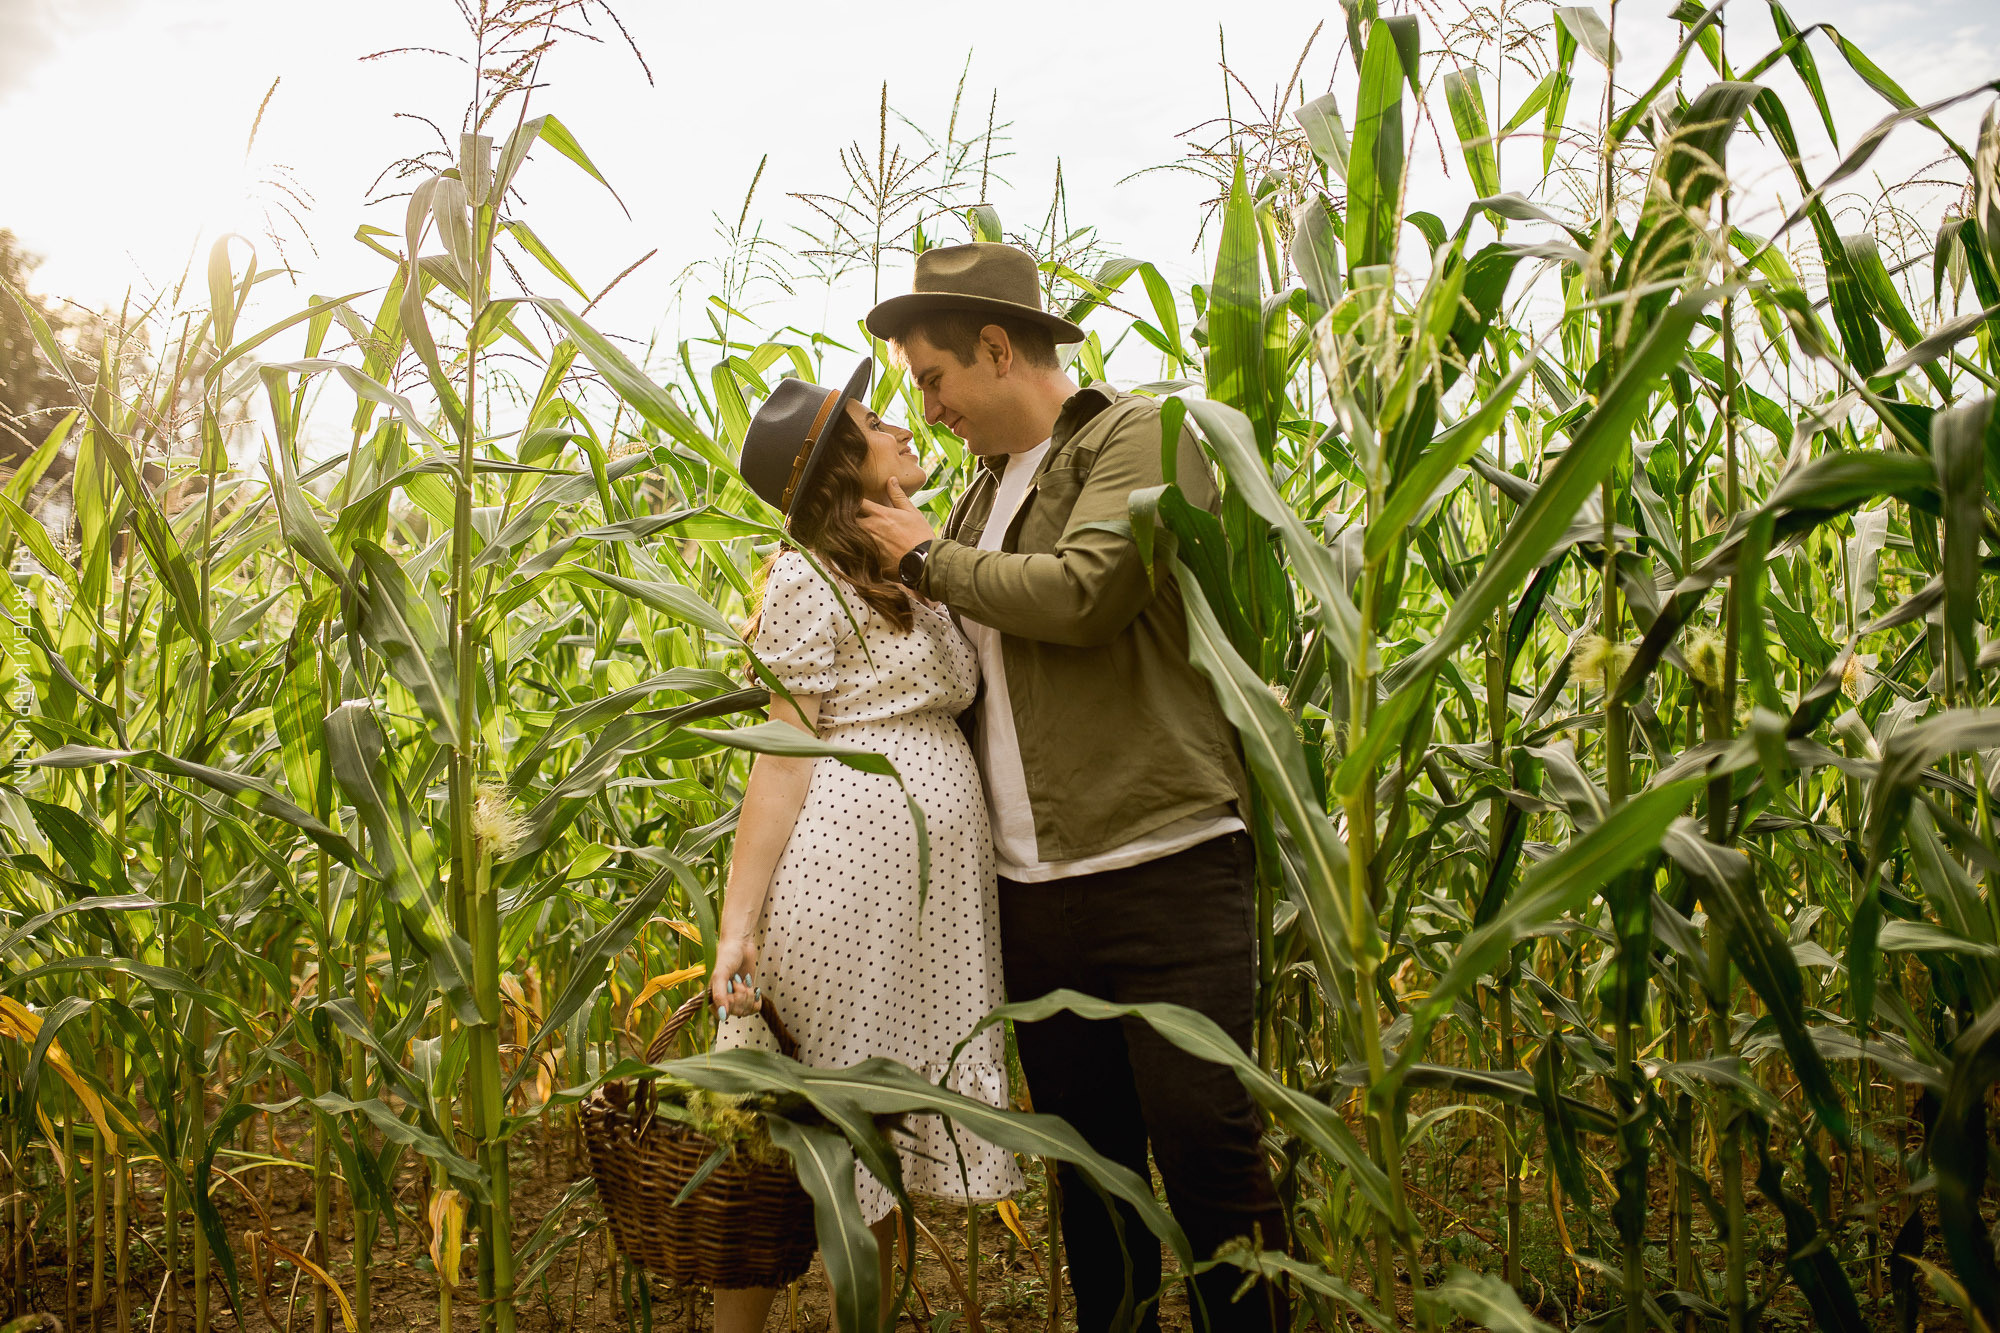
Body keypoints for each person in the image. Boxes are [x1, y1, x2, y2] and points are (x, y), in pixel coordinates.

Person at [857, 241, 1288, 1333]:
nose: (930, 405)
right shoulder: (978, 499)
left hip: (1162, 867)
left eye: (932, 378)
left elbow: (1086, 592)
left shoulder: (1133, 436)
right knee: (1095, 1185)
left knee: (1210, 1171)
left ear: (996, 347)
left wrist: (921, 559)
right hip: (1034, 897)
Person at [711, 357, 1022, 1332]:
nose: (902, 427)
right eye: (879, 420)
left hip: (923, 904)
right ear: (840, 464)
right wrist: (736, 924)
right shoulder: (809, 574)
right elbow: (781, 756)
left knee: (878, 1136)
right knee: (807, 1141)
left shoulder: (921, 564)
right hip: (845, 883)